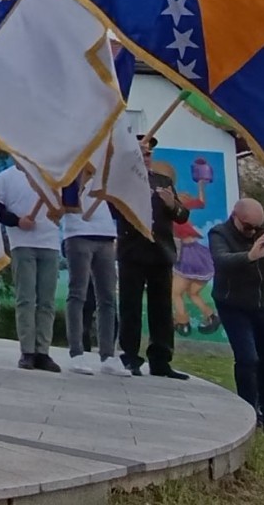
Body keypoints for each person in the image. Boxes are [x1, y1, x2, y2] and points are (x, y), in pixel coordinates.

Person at [208, 199, 264, 438]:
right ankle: (248, 418)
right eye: (249, 227)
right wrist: (250, 255)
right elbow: (221, 261)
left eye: (259, 226)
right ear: (235, 217)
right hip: (233, 304)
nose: (255, 231)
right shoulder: (219, 233)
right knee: (247, 359)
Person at [115, 136, 191, 379]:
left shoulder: (163, 181)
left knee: (161, 309)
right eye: (141, 154)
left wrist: (171, 204)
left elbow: (181, 215)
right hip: (133, 251)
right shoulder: (123, 181)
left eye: (148, 154)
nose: (146, 158)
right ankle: (129, 357)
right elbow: (113, 210)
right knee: (131, 307)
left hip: (161, 252)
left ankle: (161, 360)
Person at [0, 162, 63, 372]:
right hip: (22, 242)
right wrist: (16, 221)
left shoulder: (51, 172)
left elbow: (64, 204)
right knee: (26, 299)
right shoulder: (5, 177)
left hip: (49, 241)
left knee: (47, 301)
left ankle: (43, 351)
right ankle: (27, 351)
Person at [61, 177, 129, 377]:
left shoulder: (106, 171)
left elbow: (117, 207)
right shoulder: (73, 168)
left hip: (106, 235)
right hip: (78, 233)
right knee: (78, 294)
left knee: (108, 297)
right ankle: (76, 352)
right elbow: (67, 200)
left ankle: (108, 355)